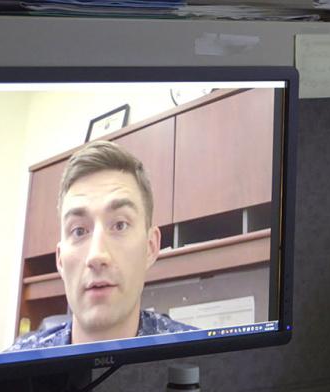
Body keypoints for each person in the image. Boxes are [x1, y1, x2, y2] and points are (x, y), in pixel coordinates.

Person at [11, 141, 195, 350]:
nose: (97, 256)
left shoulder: (210, 362)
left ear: (151, 247)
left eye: (120, 225)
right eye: (79, 231)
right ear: (60, 260)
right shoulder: (8, 374)